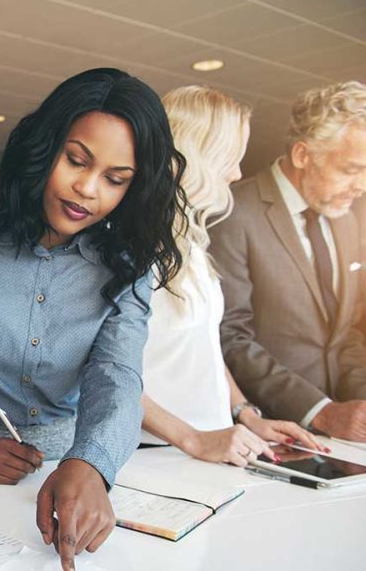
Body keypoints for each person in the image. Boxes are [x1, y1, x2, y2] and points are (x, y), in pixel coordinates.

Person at [0, 67, 184, 570]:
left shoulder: (127, 267)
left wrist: (91, 463)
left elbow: (116, 375)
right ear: (44, 148)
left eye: (115, 180)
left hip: (70, 471)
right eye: (76, 161)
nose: (87, 189)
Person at [140, 85, 323, 465]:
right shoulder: (133, 250)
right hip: (152, 455)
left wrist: (246, 414)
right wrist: (192, 440)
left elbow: (204, 350)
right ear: (196, 154)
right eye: (229, 158)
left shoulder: (190, 244)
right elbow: (106, 374)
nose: (238, 172)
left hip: (215, 447)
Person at [210, 81, 366, 442]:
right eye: (350, 169)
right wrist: (322, 412)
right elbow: (229, 337)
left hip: (345, 441)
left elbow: (347, 335)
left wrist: (357, 405)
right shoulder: (234, 211)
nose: (361, 186)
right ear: (302, 155)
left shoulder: (348, 217)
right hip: (269, 435)